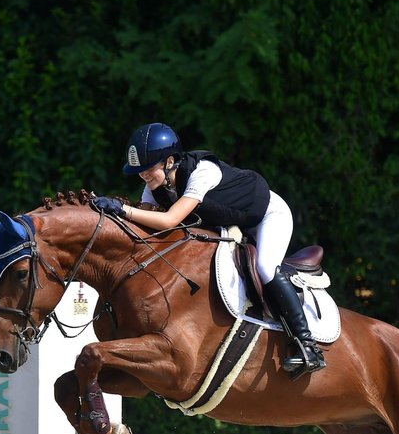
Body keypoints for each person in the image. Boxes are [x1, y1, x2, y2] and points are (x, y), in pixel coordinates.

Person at [93, 122, 325, 378]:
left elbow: (169, 220)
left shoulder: (202, 172)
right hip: (232, 223)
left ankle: (307, 346)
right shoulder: (154, 186)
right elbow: (146, 222)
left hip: (267, 215)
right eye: (140, 173)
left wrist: (122, 209)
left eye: (149, 170)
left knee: (265, 267)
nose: (144, 177)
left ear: (170, 161)